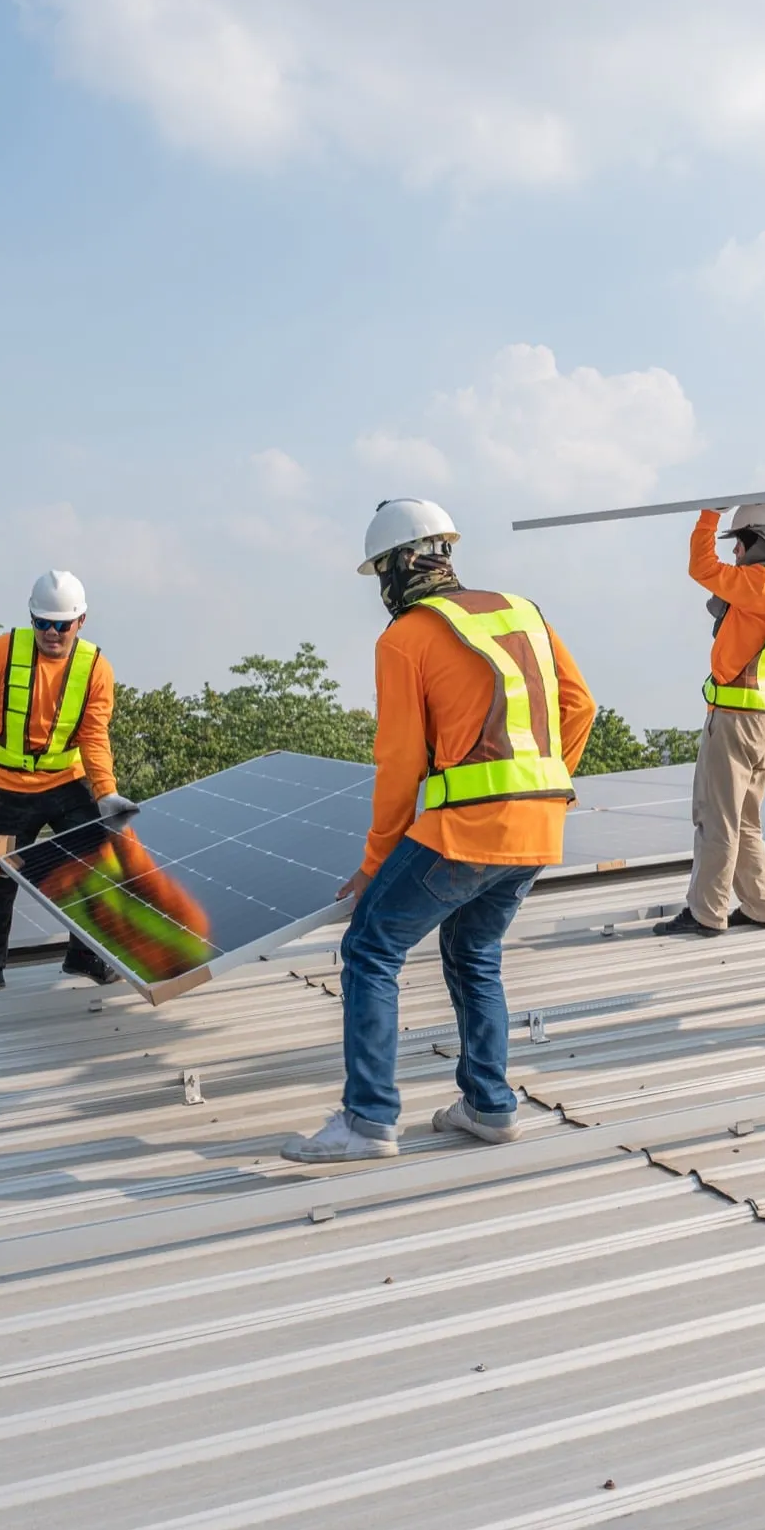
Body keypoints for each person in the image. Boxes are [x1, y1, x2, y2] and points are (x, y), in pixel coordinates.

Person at [283, 498, 596, 1163]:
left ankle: (368, 1119)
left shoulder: (407, 637)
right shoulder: (523, 609)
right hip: (540, 824)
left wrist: (372, 867)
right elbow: (580, 705)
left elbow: (398, 765)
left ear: (399, 563)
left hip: (469, 830)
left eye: (381, 575)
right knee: (474, 951)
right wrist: (538, 780)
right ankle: (489, 1104)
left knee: (370, 946)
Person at [0, 569, 137, 997]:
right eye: (42, 622)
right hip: (5, 793)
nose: (51, 633)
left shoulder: (95, 669)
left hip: (65, 789)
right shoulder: (1, 653)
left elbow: (94, 735)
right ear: (31, 617)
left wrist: (106, 793)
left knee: (96, 865)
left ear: (80, 621)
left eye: (61, 625)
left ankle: (83, 955)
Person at [656, 495, 765, 939]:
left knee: (717, 816)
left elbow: (701, 567)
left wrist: (711, 514)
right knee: (745, 818)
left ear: (759, 544)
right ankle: (763, 906)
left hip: (733, 719)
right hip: (764, 722)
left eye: (740, 544)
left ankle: (707, 912)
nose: (735, 554)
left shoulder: (758, 584)